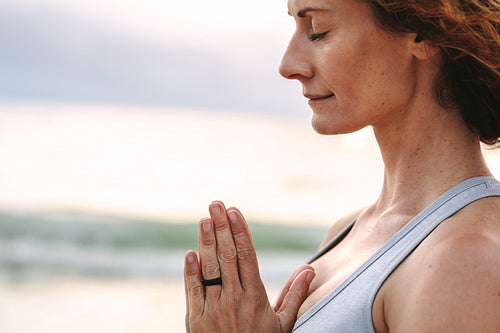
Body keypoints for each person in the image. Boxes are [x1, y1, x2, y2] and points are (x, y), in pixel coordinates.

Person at [184, 0, 500, 331]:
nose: (288, 65)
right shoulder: (345, 232)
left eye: (318, 31)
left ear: (422, 34)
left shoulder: (465, 260)